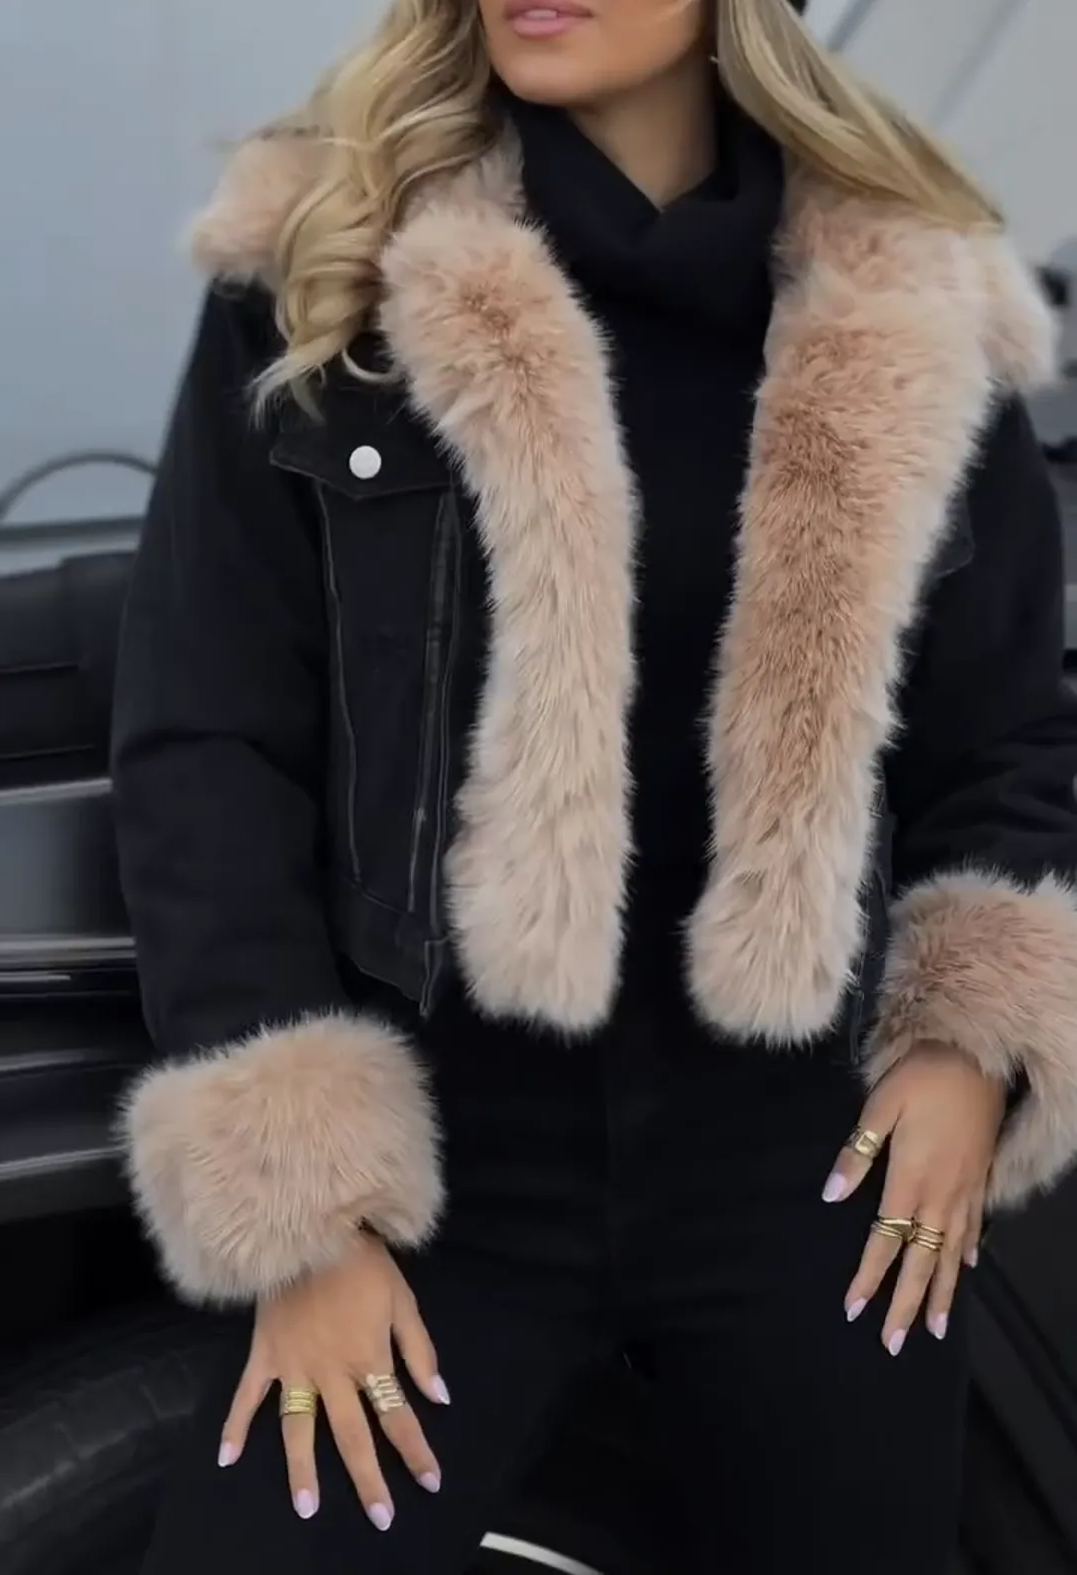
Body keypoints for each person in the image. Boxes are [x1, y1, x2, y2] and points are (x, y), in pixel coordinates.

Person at [111, 0, 1077, 1568]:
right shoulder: (336, 269)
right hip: (440, 1159)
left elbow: (1003, 735)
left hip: (803, 1154)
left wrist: (968, 1050)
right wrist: (302, 1212)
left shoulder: (902, 297)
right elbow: (209, 745)